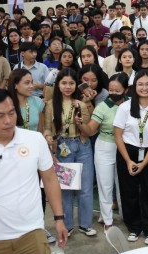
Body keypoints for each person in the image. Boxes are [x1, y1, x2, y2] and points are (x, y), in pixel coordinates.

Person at [0, 88, 67, 254]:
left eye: (11, 113)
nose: (8, 121)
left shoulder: (35, 140)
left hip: (32, 233)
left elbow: (50, 179)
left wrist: (59, 218)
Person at [44, 68, 97, 237]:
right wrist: (47, 136)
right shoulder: (51, 104)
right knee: (66, 188)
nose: (68, 87)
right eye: (64, 83)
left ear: (76, 85)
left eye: (71, 83)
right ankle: (67, 225)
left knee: (86, 187)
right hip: (62, 148)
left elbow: (89, 130)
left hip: (82, 146)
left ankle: (85, 224)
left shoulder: (81, 103)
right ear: (58, 84)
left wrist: (80, 122)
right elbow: (46, 128)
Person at [113, 70, 148, 245]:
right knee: (129, 193)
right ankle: (134, 227)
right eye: (140, 84)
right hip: (127, 153)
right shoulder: (124, 107)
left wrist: (144, 164)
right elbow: (118, 135)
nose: (144, 88)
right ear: (134, 87)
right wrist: (128, 161)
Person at [75, 72, 129, 232]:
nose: (113, 93)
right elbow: (91, 129)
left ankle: (127, 216)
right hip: (105, 146)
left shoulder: (131, 104)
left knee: (124, 185)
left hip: (126, 147)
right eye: (111, 90)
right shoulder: (102, 106)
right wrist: (81, 124)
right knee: (105, 185)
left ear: (125, 90)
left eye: (117, 90)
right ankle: (107, 220)